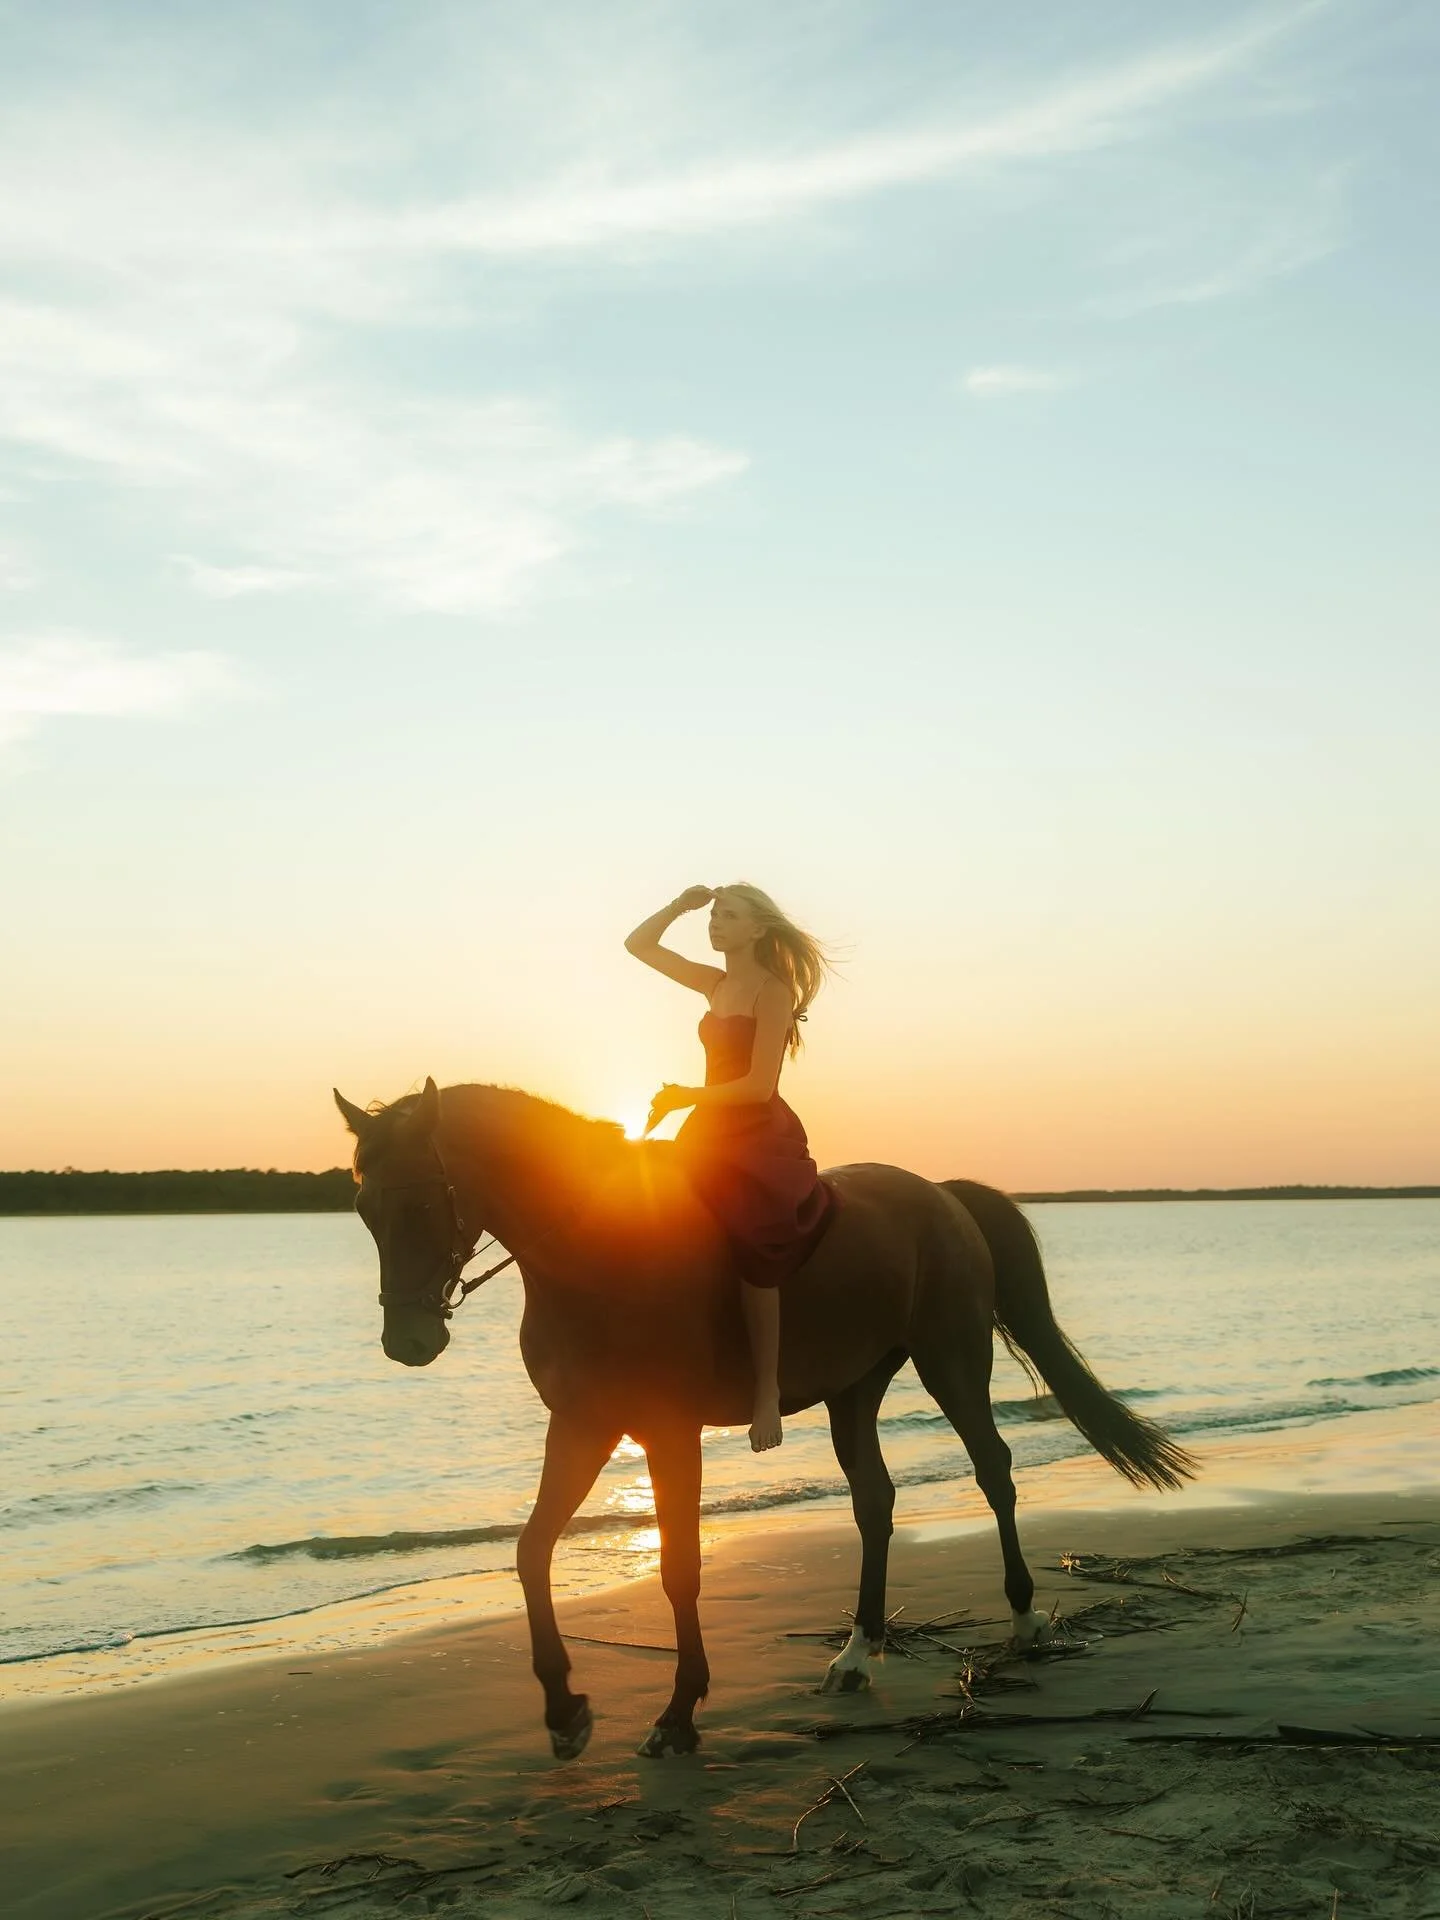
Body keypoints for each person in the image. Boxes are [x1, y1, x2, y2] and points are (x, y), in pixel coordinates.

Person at [625, 883, 834, 1452]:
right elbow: (638, 945)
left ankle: (766, 1392)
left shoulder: (773, 991)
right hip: (707, 1128)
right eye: (714, 915)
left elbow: (760, 1085)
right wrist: (676, 906)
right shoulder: (714, 982)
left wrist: (687, 1095)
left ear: (758, 929)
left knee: (751, 1238)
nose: (715, 924)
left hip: (755, 1132)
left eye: (728, 916)